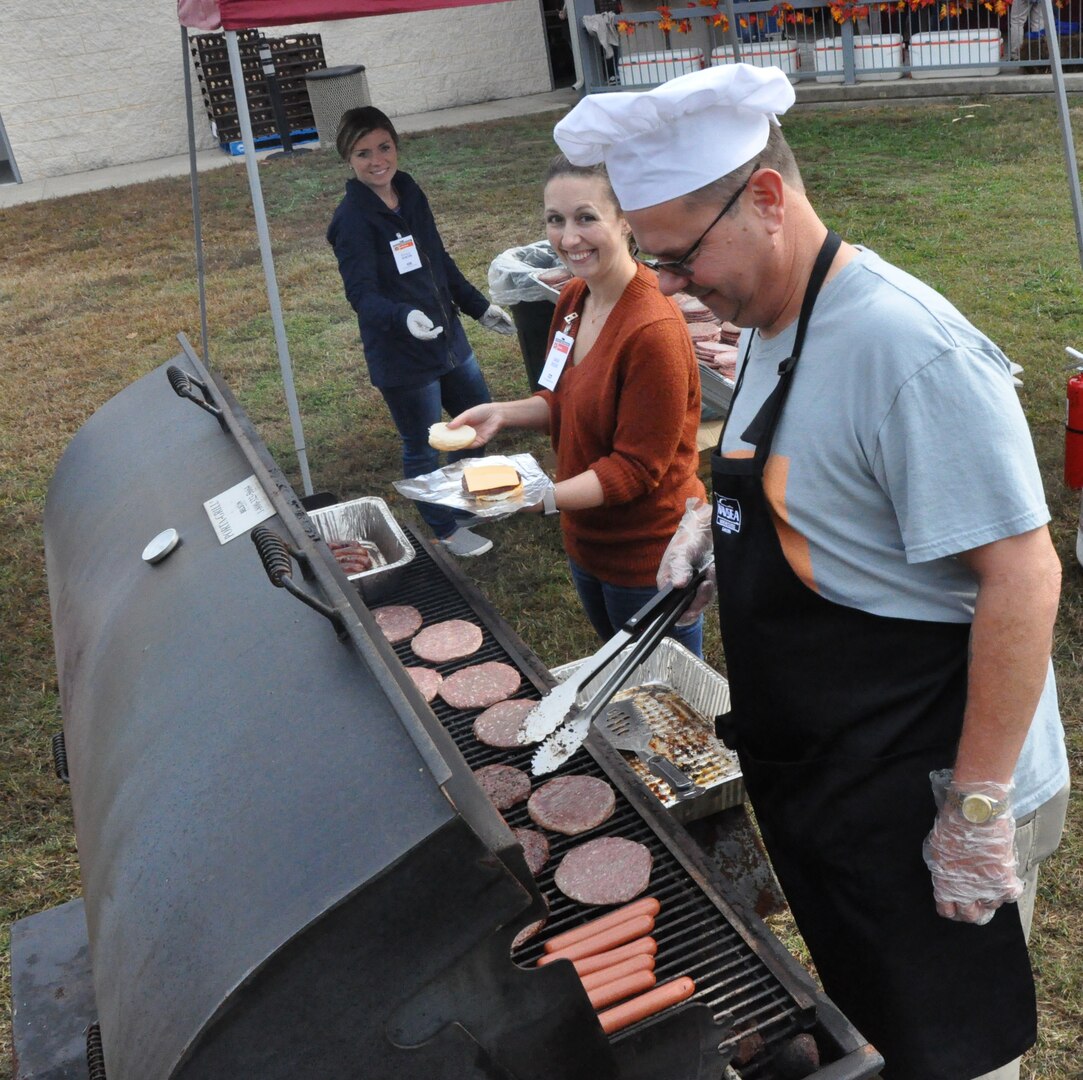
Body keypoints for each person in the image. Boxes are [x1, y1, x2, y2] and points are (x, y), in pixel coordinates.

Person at [553, 64, 1070, 1080]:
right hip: (844, 778)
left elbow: (1024, 575)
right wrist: (720, 530)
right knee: (883, 1031)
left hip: (936, 785)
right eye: (650, 261)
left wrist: (972, 814)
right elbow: (810, 488)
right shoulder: (775, 323)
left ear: (769, 199)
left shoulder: (903, 348)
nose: (663, 287)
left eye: (678, 257)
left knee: (956, 1057)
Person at [450, 155, 707, 656]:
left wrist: (537, 496)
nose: (568, 239)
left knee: (667, 708)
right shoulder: (573, 299)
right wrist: (504, 412)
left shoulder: (652, 330)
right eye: (556, 219)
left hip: (647, 559)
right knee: (616, 688)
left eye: (586, 218)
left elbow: (635, 469)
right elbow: (558, 397)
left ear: (626, 219)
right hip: (586, 543)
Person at [326, 105, 516, 558]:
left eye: (384, 147)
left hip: (449, 340)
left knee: (474, 427)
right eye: (363, 152)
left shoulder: (409, 191)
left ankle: (466, 500)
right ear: (348, 160)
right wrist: (402, 318)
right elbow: (363, 296)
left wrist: (477, 307)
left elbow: (438, 260)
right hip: (403, 357)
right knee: (423, 443)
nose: (377, 161)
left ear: (396, 144)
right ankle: (444, 529)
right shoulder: (351, 220)